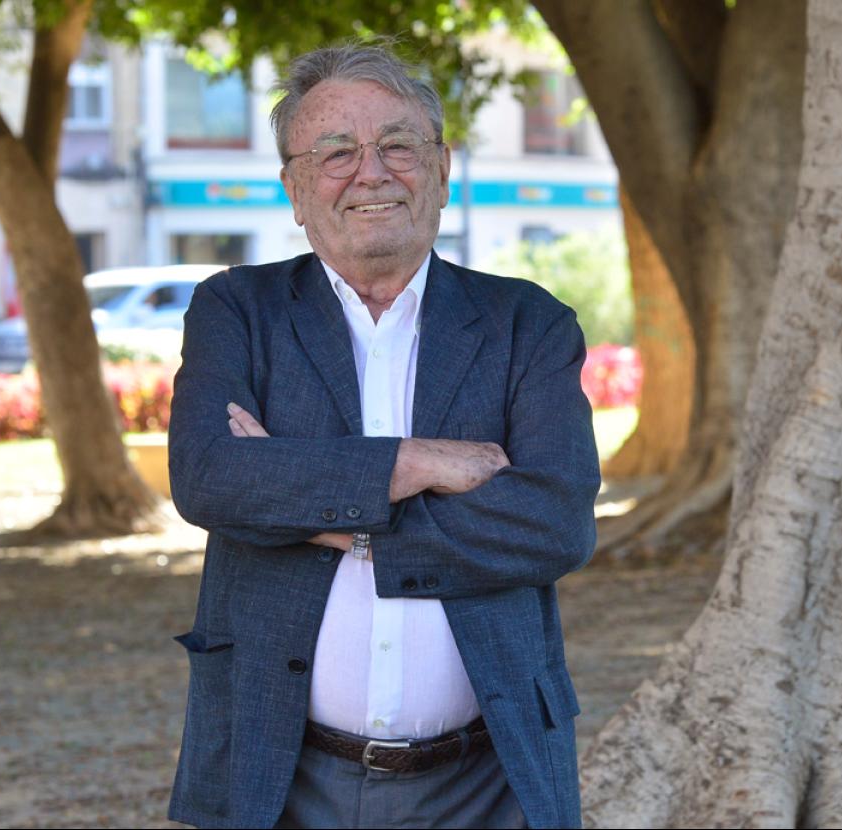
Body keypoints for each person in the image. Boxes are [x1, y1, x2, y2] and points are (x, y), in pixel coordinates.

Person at [165, 43, 601, 830]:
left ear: (439, 168)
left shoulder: (527, 323)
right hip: (279, 772)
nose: (371, 172)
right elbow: (209, 477)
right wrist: (418, 462)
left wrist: (318, 510)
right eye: (335, 152)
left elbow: (554, 524)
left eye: (398, 145)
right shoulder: (237, 310)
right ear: (295, 189)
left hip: (490, 780)